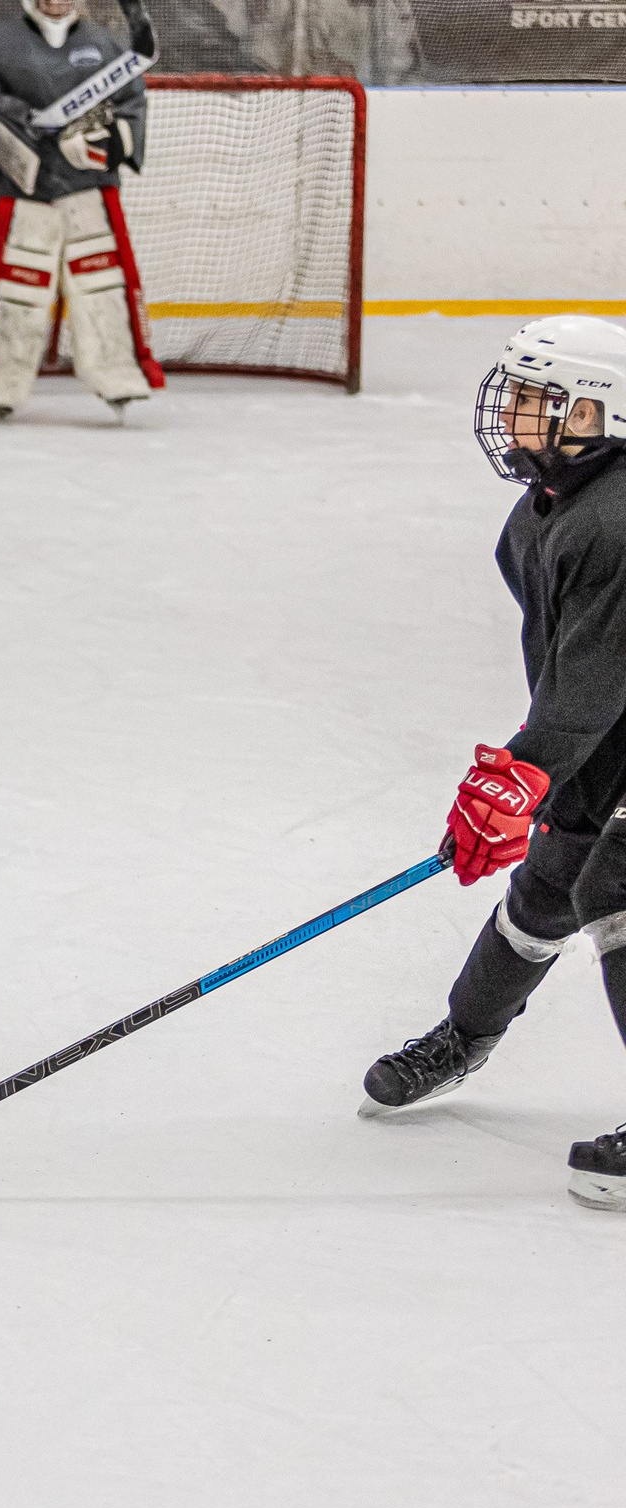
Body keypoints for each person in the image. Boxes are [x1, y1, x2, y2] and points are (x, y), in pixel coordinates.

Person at [361, 317, 626, 1210]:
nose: (511, 415)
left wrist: (528, 765)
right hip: (611, 737)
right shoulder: (543, 514)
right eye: (513, 395)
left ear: (600, 410)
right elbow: (568, 663)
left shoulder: (622, 520)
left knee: (612, 891)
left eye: (535, 400)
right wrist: (546, 775)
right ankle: (462, 1038)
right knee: (549, 884)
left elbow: (598, 669)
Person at [0, 0, 163, 420]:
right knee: (18, 292)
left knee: (102, 286)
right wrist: (14, 124)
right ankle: (1, 385)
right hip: (23, 191)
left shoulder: (102, 44)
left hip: (87, 189)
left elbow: (130, 105)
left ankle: (118, 378)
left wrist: (104, 140)